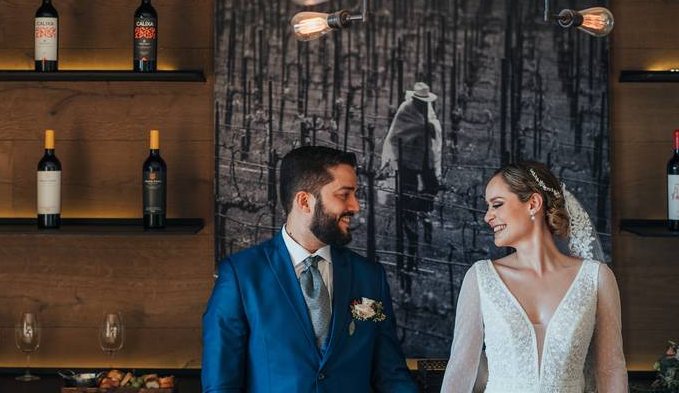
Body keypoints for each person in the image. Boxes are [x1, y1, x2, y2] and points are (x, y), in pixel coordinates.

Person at [201, 146, 417, 393]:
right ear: (304, 201)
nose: (355, 206)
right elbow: (221, 385)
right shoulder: (241, 276)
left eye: (355, 194)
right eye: (344, 195)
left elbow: (391, 375)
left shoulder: (370, 278)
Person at [440, 161, 628, 393]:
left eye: (496, 204)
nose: (488, 217)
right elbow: (460, 370)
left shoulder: (597, 278)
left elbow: (610, 370)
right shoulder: (480, 278)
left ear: (533, 203)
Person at [380, 81, 442, 290]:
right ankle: (410, 217)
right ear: (414, 99)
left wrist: (429, 128)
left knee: (432, 187)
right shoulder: (406, 110)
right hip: (407, 160)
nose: (423, 105)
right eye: (420, 101)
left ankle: (420, 211)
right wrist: (423, 128)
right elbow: (398, 133)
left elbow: (434, 130)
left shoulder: (427, 112)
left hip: (424, 158)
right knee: (408, 192)